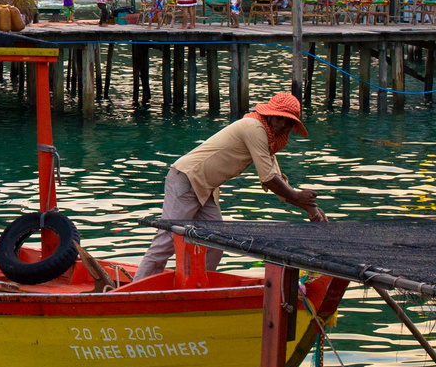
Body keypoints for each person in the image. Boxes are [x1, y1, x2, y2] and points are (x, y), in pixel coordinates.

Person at [133, 92, 324, 281]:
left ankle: (197, 288)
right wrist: (299, 198)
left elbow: (278, 181)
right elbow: (268, 179)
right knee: (167, 240)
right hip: (187, 179)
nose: (283, 125)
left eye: (289, 122)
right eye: (280, 119)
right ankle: (136, 295)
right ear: (271, 115)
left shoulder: (265, 138)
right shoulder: (255, 127)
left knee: (216, 242)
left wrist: (310, 208)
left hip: (205, 188)